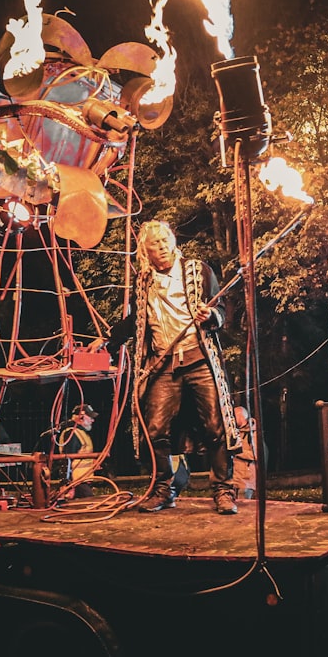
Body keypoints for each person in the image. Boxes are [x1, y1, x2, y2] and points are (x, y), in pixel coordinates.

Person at [92, 220, 243, 515]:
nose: (161, 248)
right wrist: (109, 341)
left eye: (164, 241)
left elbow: (222, 309)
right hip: (163, 362)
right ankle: (163, 489)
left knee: (215, 427)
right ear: (145, 251)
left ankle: (224, 491)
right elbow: (136, 321)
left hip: (198, 358)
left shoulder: (198, 270)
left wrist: (210, 315)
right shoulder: (144, 281)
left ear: (172, 241)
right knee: (154, 429)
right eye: (154, 245)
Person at [56, 404, 99, 499]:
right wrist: (68, 485)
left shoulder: (81, 433)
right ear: (81, 417)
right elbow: (66, 460)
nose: (92, 420)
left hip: (82, 480)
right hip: (77, 481)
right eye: (90, 417)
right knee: (89, 503)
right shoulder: (72, 433)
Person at [233, 406, 257, 500]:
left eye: (234, 416)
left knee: (243, 508)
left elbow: (255, 455)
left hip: (246, 480)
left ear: (241, 417)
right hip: (234, 479)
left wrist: (237, 452)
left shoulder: (253, 433)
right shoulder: (235, 432)